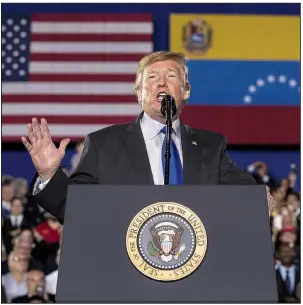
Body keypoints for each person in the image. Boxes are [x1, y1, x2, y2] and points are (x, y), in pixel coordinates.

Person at [21, 51, 275, 225]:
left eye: (172, 77)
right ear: (139, 94)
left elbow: (242, 189)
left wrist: (256, 196)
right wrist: (49, 175)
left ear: (185, 92)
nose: (162, 83)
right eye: (152, 78)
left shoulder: (210, 145)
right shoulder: (104, 143)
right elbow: (75, 209)